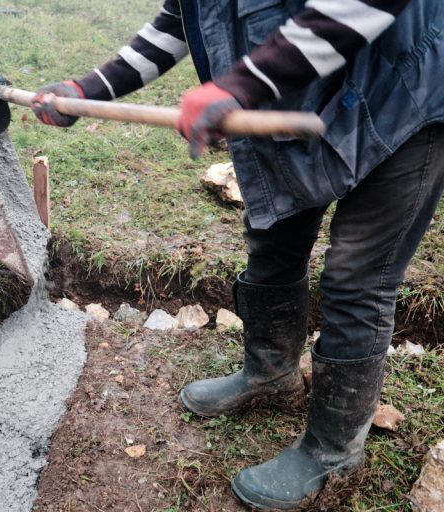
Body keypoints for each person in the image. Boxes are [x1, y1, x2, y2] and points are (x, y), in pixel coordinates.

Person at [32, 1, 444, 509]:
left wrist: (240, 84)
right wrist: (86, 89)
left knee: (358, 279)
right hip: (294, 99)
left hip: (402, 96)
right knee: (273, 237)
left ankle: (333, 451)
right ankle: (270, 375)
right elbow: (175, 23)